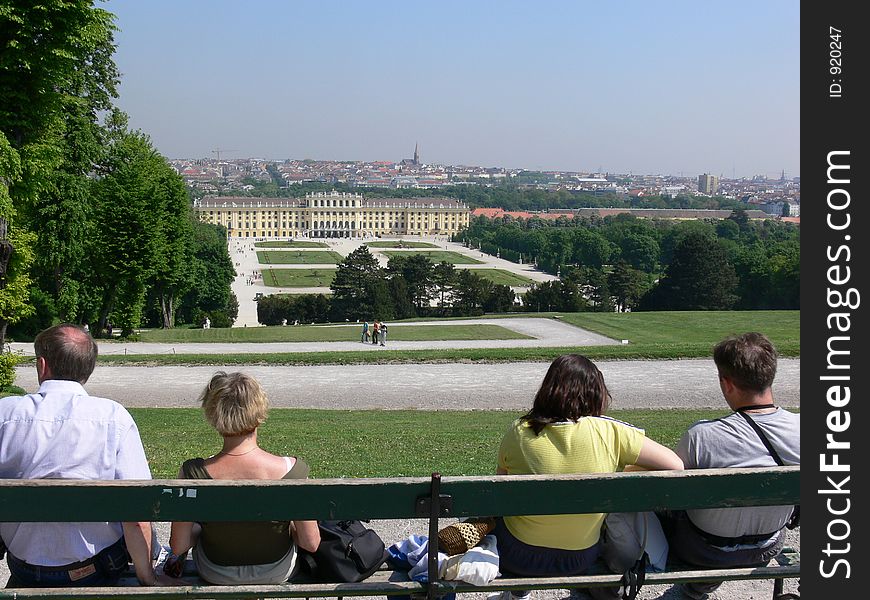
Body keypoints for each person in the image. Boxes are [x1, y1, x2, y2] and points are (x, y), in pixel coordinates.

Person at [494, 354, 683, 599]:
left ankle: (518, 593)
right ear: (596, 393)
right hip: (579, 557)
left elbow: (500, 490)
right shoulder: (611, 432)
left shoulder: (518, 431)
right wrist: (618, 469)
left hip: (519, 556)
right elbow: (675, 465)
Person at [0, 324, 174, 588]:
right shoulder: (113, 418)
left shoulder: (5, 414)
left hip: (25, 567)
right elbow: (136, 512)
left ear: (42, 365)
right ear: (88, 370)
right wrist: (146, 577)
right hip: (94, 570)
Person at [661, 333, 800, 599]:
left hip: (702, 551)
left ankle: (700, 584)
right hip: (766, 546)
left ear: (727, 384)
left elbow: (670, 494)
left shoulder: (701, 436)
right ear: (770, 376)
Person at [166, 372, 320, 584]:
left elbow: (179, 545)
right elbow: (310, 543)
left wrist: (202, 529)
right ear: (260, 411)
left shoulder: (192, 472)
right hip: (276, 570)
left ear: (212, 414)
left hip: (216, 571)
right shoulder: (292, 470)